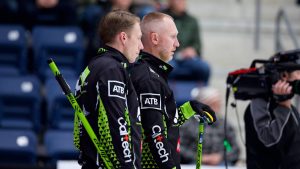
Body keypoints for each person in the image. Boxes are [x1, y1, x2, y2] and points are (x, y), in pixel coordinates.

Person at [130, 12, 216, 169]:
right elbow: (155, 134)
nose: (177, 44)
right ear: (154, 38)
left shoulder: (153, 73)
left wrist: (190, 108)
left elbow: (165, 122)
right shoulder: (148, 78)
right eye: (173, 37)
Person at [73, 10, 143, 169]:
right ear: (123, 37)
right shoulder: (111, 69)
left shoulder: (94, 66)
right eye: (138, 38)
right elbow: (118, 123)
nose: (141, 46)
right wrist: (127, 165)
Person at [244, 53, 300, 169]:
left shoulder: (290, 107)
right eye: (298, 73)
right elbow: (269, 141)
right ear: (284, 76)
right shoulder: (259, 104)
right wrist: (283, 107)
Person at [180, 87, 240, 165]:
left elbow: (233, 148)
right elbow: (179, 147)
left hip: (220, 163)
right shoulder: (187, 124)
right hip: (193, 163)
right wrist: (200, 157)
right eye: (213, 104)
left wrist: (220, 157)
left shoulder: (225, 124)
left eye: (218, 104)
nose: (217, 108)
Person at [162, 0, 210, 84]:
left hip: (188, 58)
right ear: (170, 2)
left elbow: (197, 45)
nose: (182, 2)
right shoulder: (162, 18)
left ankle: (202, 93)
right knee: (168, 68)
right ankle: (165, 93)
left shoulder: (192, 21)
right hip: (168, 57)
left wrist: (192, 50)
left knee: (204, 67)